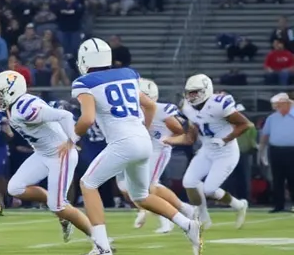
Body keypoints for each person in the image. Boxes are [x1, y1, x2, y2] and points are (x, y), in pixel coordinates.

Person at [71, 38, 202, 255]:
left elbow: (88, 118)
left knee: (88, 184)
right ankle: (187, 224)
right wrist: (144, 128)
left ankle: (101, 247)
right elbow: (150, 105)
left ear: (84, 60)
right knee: (140, 195)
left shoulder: (85, 82)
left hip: (123, 141)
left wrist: (72, 138)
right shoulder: (128, 74)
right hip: (143, 140)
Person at [0, 71, 94, 246]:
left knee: (58, 205)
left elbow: (65, 115)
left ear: (12, 91)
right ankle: (56, 205)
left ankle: (98, 238)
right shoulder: (14, 107)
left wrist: (72, 139)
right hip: (42, 153)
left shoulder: (25, 108)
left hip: (60, 154)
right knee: (15, 188)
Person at [166, 74, 251, 230]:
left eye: (195, 92)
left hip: (226, 152)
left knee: (209, 189)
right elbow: (192, 133)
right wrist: (172, 139)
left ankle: (239, 205)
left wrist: (225, 139)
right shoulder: (187, 106)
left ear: (206, 89)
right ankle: (204, 218)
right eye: (189, 92)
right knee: (189, 182)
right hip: (206, 149)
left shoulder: (219, 104)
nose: (191, 96)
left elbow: (245, 124)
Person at [121, 79, 190, 234]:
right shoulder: (132, 110)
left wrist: (170, 140)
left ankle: (167, 218)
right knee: (144, 186)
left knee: (148, 186)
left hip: (158, 149)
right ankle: (186, 209)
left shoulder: (161, 110)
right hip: (142, 149)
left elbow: (181, 133)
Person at [260, 92, 294, 212]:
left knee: (292, 179)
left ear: (286, 103)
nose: (276, 108)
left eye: (279, 105)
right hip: (276, 151)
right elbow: (265, 136)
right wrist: (262, 152)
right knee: (277, 179)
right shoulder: (272, 118)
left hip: (292, 151)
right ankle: (279, 205)